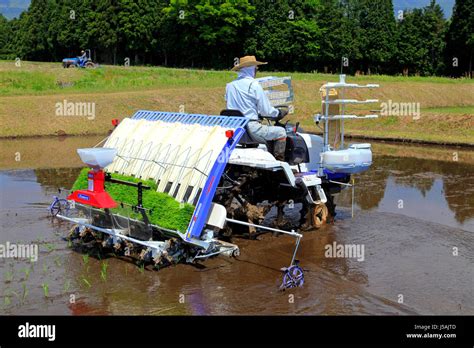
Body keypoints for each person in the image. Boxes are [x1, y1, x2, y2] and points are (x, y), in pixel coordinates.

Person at [225, 55, 288, 160]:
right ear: (251, 69)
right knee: (280, 132)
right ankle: (280, 163)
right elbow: (267, 111)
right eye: (256, 68)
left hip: (236, 128)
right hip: (251, 128)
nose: (256, 71)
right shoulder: (254, 85)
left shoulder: (230, 86)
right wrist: (278, 113)